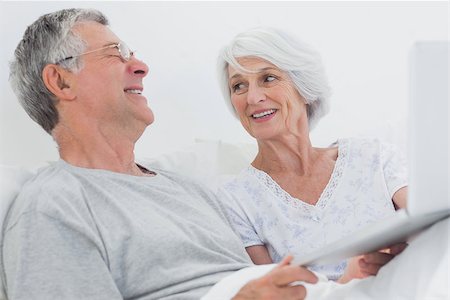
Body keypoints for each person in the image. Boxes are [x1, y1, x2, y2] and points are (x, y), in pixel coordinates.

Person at [1, 9, 319, 300]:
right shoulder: (53, 205)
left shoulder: (189, 188)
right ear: (60, 80)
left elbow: (254, 281)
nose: (141, 67)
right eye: (116, 53)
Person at [216, 27, 408, 282]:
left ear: (303, 88)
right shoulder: (235, 200)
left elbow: (436, 228)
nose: (253, 97)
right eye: (239, 85)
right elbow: (271, 295)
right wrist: (348, 281)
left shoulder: (373, 157)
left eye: (268, 78)